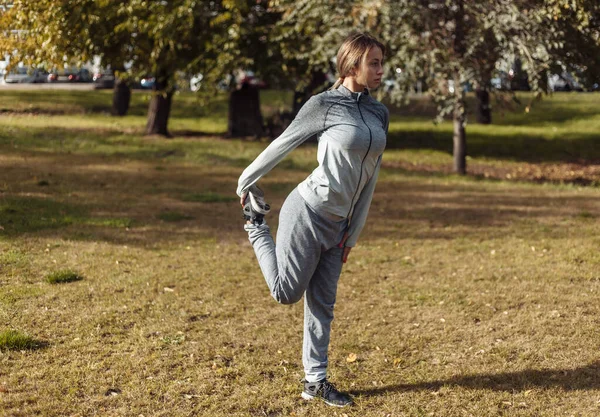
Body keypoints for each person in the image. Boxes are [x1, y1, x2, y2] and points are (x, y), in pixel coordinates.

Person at [237, 32, 388, 407]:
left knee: (323, 303)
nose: (381, 70)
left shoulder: (378, 112)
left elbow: (370, 179)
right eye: (374, 63)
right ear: (352, 64)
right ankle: (256, 225)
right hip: (308, 210)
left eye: (382, 62)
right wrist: (246, 180)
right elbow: (283, 143)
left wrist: (353, 234)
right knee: (286, 293)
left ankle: (315, 382)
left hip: (340, 225)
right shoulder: (324, 105)